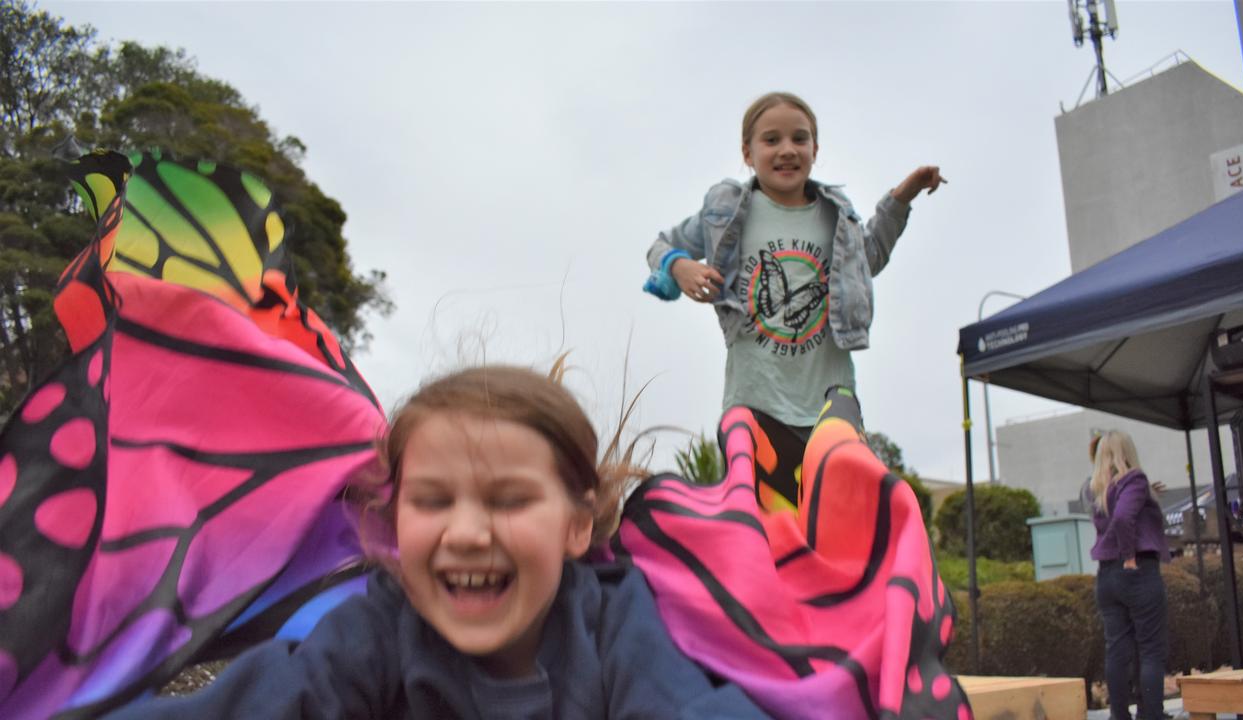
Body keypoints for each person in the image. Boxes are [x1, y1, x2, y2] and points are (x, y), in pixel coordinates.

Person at [108, 360, 768, 719]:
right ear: (396, 522)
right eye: (432, 501)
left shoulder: (615, 619)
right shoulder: (380, 627)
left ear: (575, 524)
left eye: (510, 501)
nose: (468, 533)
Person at [643, 91, 944, 435]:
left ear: (814, 149)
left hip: (831, 408)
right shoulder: (725, 213)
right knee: (756, 492)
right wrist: (679, 267)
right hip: (753, 406)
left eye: (799, 139)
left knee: (838, 490)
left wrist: (902, 197)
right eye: (771, 140)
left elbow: (869, 257)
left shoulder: (835, 216)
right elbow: (659, 246)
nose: (787, 149)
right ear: (748, 153)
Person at [1089, 430, 1170, 720]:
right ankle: (1152, 715)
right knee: (1150, 649)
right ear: (1127, 451)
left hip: (1106, 578)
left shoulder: (1096, 487)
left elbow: (1117, 513)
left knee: (1117, 649)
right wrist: (1130, 556)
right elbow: (1124, 518)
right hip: (1136, 572)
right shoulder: (1134, 478)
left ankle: (1119, 715)